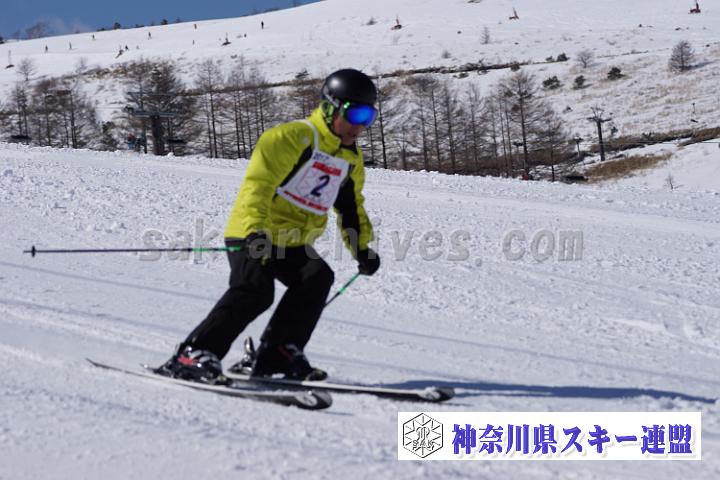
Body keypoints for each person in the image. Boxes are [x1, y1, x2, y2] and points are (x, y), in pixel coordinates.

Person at [159, 69, 381, 383]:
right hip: (254, 231)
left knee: (316, 277)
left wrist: (361, 247)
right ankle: (192, 354)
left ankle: (277, 354)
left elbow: (350, 208)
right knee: (255, 290)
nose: (361, 125)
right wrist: (254, 230)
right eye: (356, 114)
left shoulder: (350, 159)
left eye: (369, 117)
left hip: (291, 241)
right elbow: (259, 185)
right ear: (331, 107)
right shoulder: (292, 137)